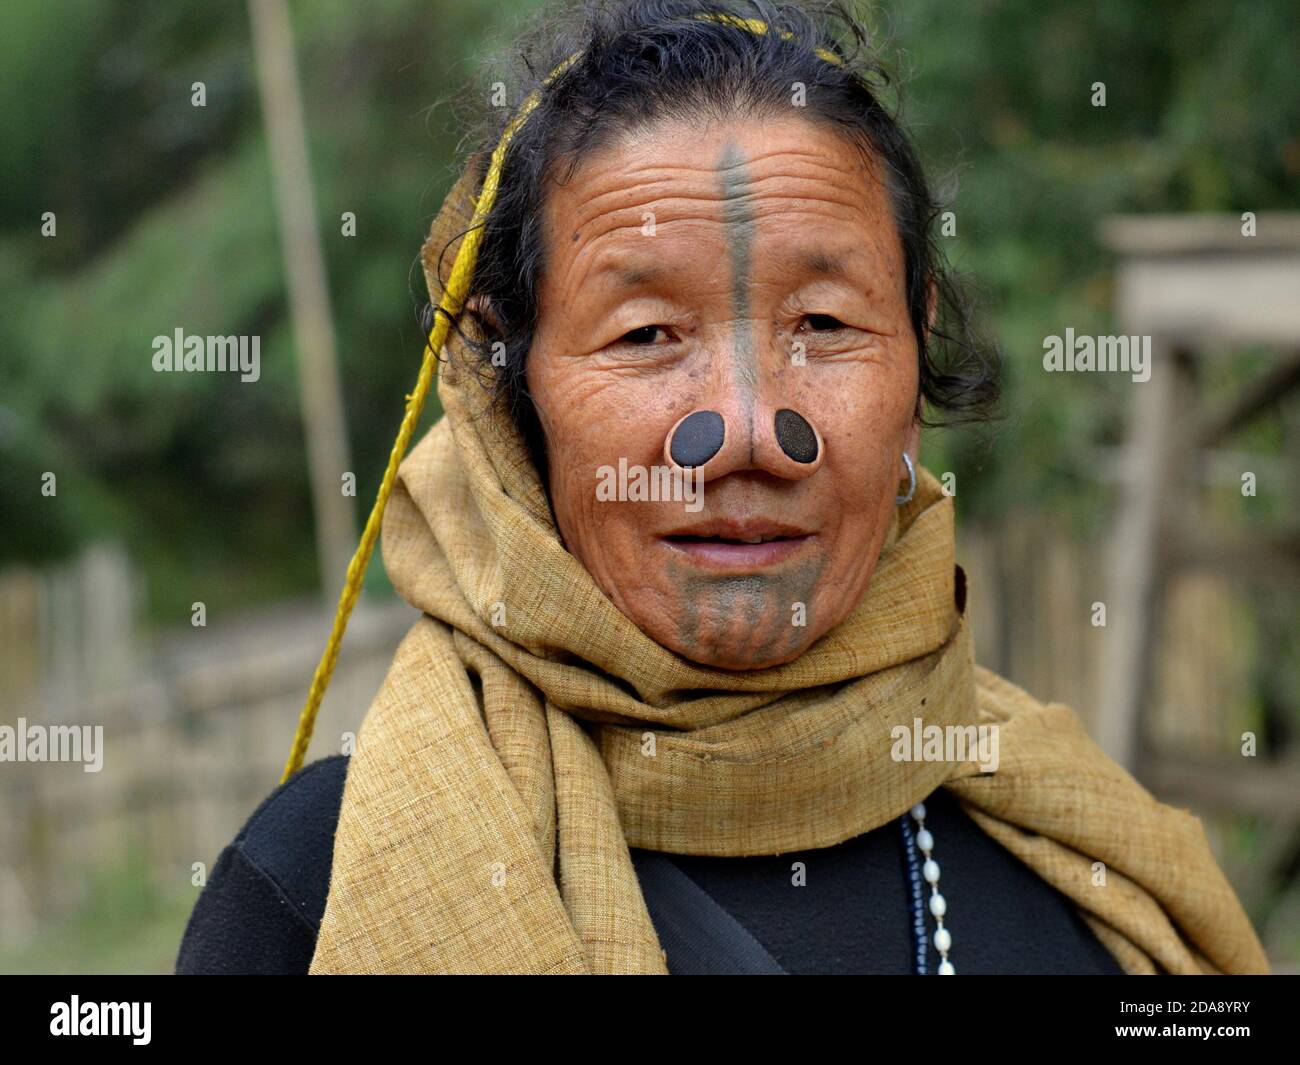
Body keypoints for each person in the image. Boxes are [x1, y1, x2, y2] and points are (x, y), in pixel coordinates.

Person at [176, 0, 1268, 975]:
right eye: (647, 333)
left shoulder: (1096, 870)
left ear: (916, 341)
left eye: (825, 326)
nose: (748, 431)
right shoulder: (316, 894)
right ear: (506, 381)